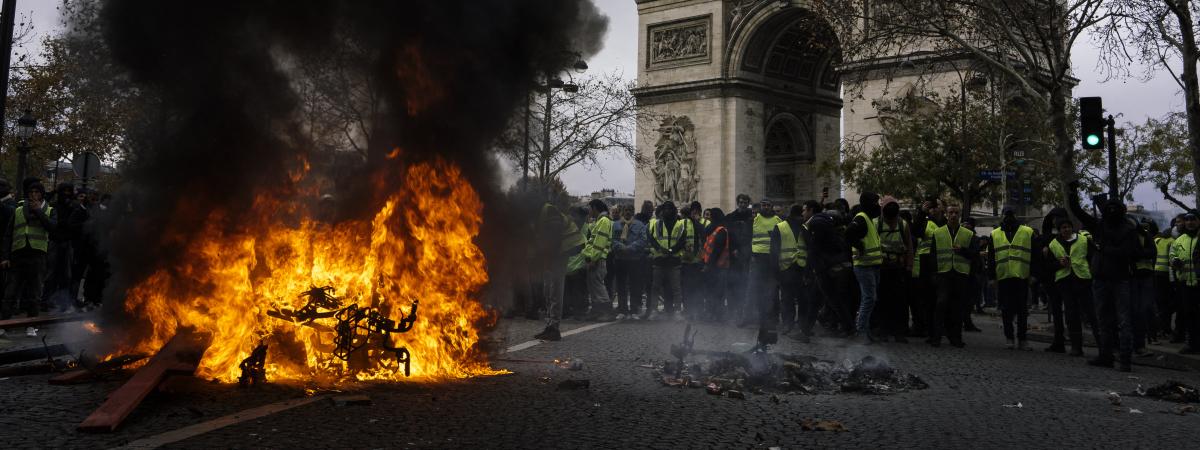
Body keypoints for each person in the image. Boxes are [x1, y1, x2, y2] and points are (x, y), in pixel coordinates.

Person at [1067, 184, 1144, 372]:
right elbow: (1078, 212)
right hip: (1102, 278)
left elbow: (1129, 252)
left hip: (1119, 278)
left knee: (1122, 320)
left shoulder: (1126, 229)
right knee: (1104, 319)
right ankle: (1106, 355)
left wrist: (1104, 249)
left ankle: (1124, 358)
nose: (1110, 212)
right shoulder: (1101, 226)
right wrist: (1072, 194)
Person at [1, 181, 57, 322]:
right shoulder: (19, 209)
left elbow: (53, 228)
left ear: (42, 194)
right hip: (18, 254)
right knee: (10, 291)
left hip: (38, 255)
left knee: (35, 291)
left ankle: (31, 323)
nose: (33, 195)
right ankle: (5, 321)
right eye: (31, 192)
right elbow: (8, 234)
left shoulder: (49, 210)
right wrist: (5, 256)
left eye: (37, 192)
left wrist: (38, 211)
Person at [1047, 217, 1101, 357]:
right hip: (1065, 281)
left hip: (1083, 280)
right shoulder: (1053, 244)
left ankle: (1103, 346)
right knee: (1071, 314)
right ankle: (1076, 346)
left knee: (1091, 313)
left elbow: (1094, 257)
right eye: (1063, 228)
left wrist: (1092, 273)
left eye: (1068, 227)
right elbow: (1049, 265)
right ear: (1059, 230)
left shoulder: (1083, 240)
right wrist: (1060, 264)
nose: (1066, 229)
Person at [533, 202, 585, 341]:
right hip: (557, 251)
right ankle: (550, 325)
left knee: (555, 288)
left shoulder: (548, 210)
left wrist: (549, 256)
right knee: (549, 288)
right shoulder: (543, 212)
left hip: (562, 251)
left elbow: (554, 237)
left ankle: (554, 328)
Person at [929, 203, 975, 348]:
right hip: (943, 273)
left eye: (956, 213)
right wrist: (934, 274)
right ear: (946, 215)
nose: (953, 215)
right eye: (951, 213)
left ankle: (956, 337)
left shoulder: (968, 234)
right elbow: (933, 255)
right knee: (941, 304)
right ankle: (936, 336)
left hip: (960, 274)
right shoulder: (938, 232)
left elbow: (974, 255)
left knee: (957, 307)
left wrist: (962, 250)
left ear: (959, 215)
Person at [990, 206, 1035, 350]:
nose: (1008, 217)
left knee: (1022, 310)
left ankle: (1022, 339)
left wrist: (1033, 274)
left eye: (1010, 214)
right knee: (1006, 309)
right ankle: (1009, 337)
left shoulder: (1027, 232)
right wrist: (992, 277)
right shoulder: (994, 234)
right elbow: (991, 257)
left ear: (1015, 215)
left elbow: (1035, 255)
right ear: (1002, 216)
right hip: (1004, 277)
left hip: (1022, 276)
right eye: (1006, 214)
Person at [770, 204, 814, 342]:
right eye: (802, 214)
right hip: (790, 267)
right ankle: (791, 324)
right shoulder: (783, 227)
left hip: (796, 268)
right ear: (798, 214)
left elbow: (809, 248)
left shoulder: (803, 228)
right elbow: (774, 250)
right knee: (791, 298)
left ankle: (797, 325)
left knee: (797, 298)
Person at [846, 192, 883, 344]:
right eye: (876, 202)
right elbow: (848, 234)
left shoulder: (868, 218)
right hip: (864, 266)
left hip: (872, 265)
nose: (878, 205)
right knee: (869, 298)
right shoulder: (861, 218)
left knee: (870, 299)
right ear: (869, 203)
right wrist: (859, 246)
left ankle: (865, 331)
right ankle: (861, 331)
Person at [875, 196, 912, 343]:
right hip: (881, 268)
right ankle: (883, 330)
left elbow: (909, 247)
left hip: (899, 269)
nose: (890, 222)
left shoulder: (903, 225)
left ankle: (899, 332)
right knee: (882, 301)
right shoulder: (876, 224)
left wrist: (909, 266)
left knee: (900, 302)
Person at [749, 198, 782, 344]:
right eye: (763, 205)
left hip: (772, 260)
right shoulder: (754, 219)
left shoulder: (778, 220)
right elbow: (749, 237)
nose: (766, 207)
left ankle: (773, 316)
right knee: (757, 289)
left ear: (772, 207)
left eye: (768, 205)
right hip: (757, 260)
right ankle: (759, 314)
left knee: (773, 290)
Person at [910, 198, 944, 338]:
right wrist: (921, 212)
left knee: (939, 301)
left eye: (937, 206)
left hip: (942, 266)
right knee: (925, 301)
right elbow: (915, 230)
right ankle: (924, 328)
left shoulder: (945, 223)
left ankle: (937, 328)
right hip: (924, 267)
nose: (934, 209)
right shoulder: (925, 222)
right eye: (932, 206)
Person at [648, 201, 686, 320]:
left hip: (673, 259)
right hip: (660, 259)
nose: (668, 211)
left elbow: (682, 240)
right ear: (662, 210)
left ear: (674, 210)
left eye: (670, 209)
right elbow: (652, 238)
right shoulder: (657, 224)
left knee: (676, 288)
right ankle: (654, 310)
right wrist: (660, 249)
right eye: (666, 209)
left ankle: (677, 311)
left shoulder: (680, 224)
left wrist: (670, 250)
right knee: (656, 287)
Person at [1039, 208, 1070, 353]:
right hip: (1052, 277)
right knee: (1057, 310)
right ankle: (1059, 340)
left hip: (1066, 277)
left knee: (1067, 310)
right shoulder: (1046, 237)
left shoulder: (1067, 236)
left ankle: (1066, 340)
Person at [611, 205, 648, 320]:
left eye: (630, 210)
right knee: (621, 286)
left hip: (634, 259)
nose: (627, 212)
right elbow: (612, 240)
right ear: (623, 212)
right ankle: (622, 310)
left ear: (633, 212)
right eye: (626, 210)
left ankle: (634, 310)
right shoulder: (616, 225)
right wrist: (621, 247)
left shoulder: (640, 225)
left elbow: (643, 240)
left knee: (635, 286)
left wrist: (631, 247)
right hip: (620, 259)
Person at [581, 200, 614, 321]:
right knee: (594, 288)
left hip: (598, 260)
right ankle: (597, 312)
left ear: (594, 208)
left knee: (599, 288)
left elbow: (600, 242)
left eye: (589, 208)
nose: (588, 211)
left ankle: (607, 313)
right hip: (595, 259)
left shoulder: (604, 221)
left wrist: (593, 259)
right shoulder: (602, 220)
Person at [1171, 212, 1199, 354]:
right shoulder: (1179, 240)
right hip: (1186, 284)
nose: (1189, 222)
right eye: (1187, 220)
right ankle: (1192, 344)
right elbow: (1172, 256)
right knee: (1189, 315)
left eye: (1193, 219)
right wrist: (1174, 261)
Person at [726, 194, 754, 326]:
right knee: (733, 284)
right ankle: (733, 312)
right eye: (741, 202)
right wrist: (734, 249)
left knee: (746, 285)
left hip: (748, 255)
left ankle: (745, 313)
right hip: (735, 256)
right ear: (737, 203)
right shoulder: (731, 217)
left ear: (748, 203)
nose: (742, 204)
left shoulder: (753, 217)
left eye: (745, 202)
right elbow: (729, 236)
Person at [700, 208, 731, 321]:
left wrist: (708, 264)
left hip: (718, 266)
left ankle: (717, 315)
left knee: (717, 292)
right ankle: (711, 313)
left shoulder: (721, 230)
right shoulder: (713, 229)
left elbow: (717, 250)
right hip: (712, 265)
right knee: (710, 291)